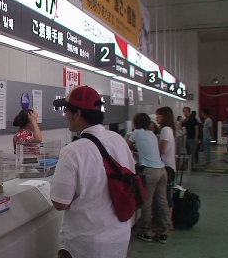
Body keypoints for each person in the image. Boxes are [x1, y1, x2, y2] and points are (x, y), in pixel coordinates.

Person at [50, 86, 135, 258]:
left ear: (78, 114)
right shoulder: (118, 140)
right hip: (119, 236)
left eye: (66, 109)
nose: (65, 114)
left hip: (85, 245)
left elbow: (61, 202)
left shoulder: (73, 151)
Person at [127, 113, 169, 244]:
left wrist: (134, 148)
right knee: (162, 202)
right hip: (162, 171)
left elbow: (126, 145)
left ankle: (146, 232)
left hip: (150, 172)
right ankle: (163, 232)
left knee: (146, 202)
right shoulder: (151, 134)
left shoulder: (136, 133)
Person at [155, 106, 176, 230]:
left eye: (159, 115)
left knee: (166, 196)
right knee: (167, 195)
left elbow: (162, 150)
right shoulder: (169, 129)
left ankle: (168, 222)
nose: (157, 117)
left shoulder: (165, 130)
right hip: (170, 166)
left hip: (166, 167)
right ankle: (168, 221)